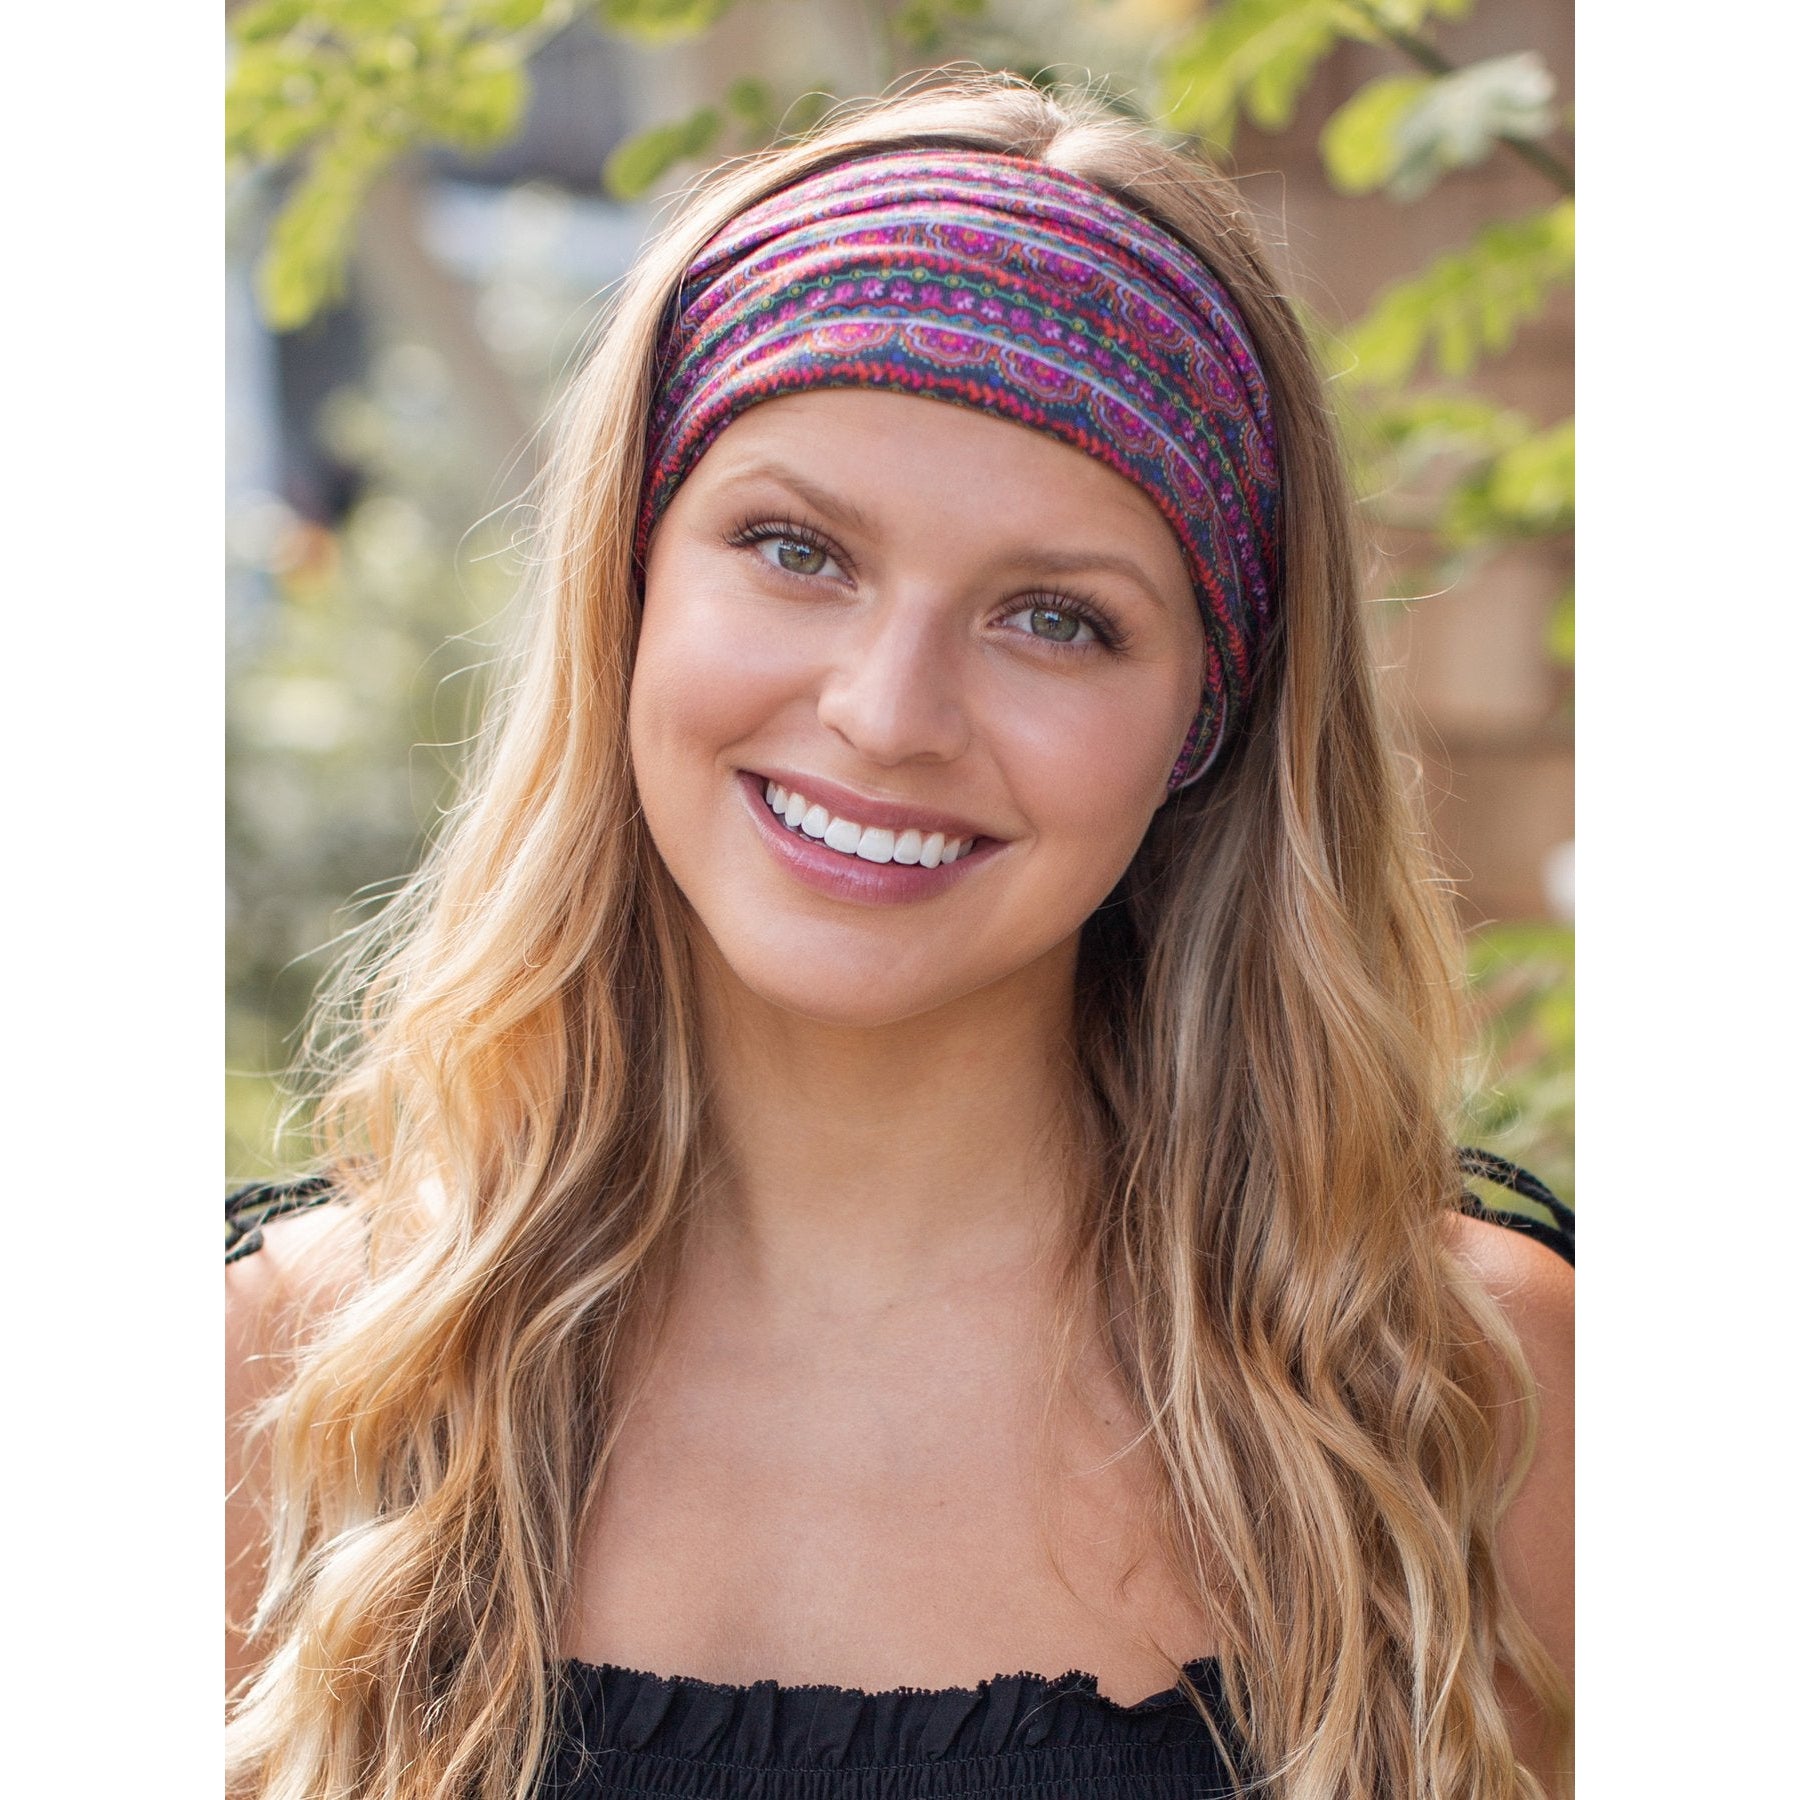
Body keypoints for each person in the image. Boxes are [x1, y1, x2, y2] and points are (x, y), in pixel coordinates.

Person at [226, 71, 1574, 1800]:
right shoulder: (275, 1382)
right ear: (629, 586)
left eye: (1056, 619)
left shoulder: (1464, 1400)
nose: (886, 710)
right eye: (796, 548)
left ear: (1208, 720)